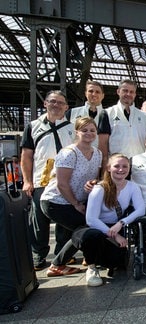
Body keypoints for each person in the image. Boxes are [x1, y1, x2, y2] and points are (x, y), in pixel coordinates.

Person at [40, 116, 102, 276]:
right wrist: (75, 204)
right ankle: (57, 264)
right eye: (84, 130)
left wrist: (93, 182)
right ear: (77, 132)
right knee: (85, 229)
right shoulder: (68, 153)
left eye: (92, 130)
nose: (89, 133)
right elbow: (62, 184)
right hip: (56, 201)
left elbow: (92, 177)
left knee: (81, 230)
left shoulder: (98, 154)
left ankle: (61, 263)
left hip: (75, 201)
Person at [21, 90, 75, 271]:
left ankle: (62, 255)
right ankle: (38, 256)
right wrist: (27, 181)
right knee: (39, 220)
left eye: (61, 103)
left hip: (66, 180)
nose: (56, 105)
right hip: (42, 179)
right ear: (45, 103)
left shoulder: (72, 128)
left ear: (66, 107)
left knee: (64, 219)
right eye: (53, 101)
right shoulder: (33, 126)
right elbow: (27, 155)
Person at [74, 153, 145, 286]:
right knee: (92, 236)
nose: (121, 169)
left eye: (125, 166)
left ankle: (102, 259)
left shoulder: (132, 187)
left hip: (116, 225)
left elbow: (141, 210)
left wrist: (122, 223)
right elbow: (91, 219)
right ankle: (92, 267)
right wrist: (116, 236)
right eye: (116, 166)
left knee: (118, 262)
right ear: (108, 168)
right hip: (95, 228)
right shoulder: (99, 189)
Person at [103, 79, 146, 160]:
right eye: (125, 91)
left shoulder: (144, 116)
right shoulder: (107, 113)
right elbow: (103, 143)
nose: (128, 94)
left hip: (140, 165)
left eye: (131, 92)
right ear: (118, 91)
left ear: (135, 94)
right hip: (116, 165)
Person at [66, 80, 110, 153]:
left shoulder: (110, 114)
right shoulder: (71, 113)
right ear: (85, 93)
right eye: (90, 91)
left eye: (97, 92)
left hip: (100, 157)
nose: (94, 94)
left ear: (103, 95)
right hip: (76, 156)